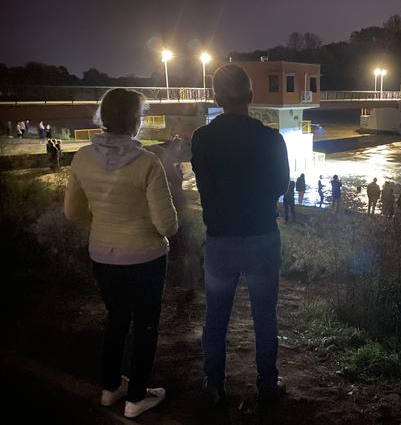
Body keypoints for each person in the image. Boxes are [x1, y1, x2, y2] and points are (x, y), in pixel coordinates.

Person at [63, 88, 178, 418]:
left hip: (102, 255)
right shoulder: (147, 163)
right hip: (145, 259)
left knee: (115, 320)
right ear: (135, 121)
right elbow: (166, 225)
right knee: (145, 326)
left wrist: (103, 224)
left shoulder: (82, 157)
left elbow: (72, 212)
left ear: (103, 120)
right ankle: (137, 397)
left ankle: (111, 388)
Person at [191, 64, 290, 405]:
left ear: (215, 97)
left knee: (216, 318)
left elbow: (203, 179)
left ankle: (214, 385)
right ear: (251, 96)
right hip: (262, 236)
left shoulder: (201, 139)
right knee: (265, 316)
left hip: (220, 240)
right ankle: (267, 384)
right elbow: (280, 185)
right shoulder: (271, 139)